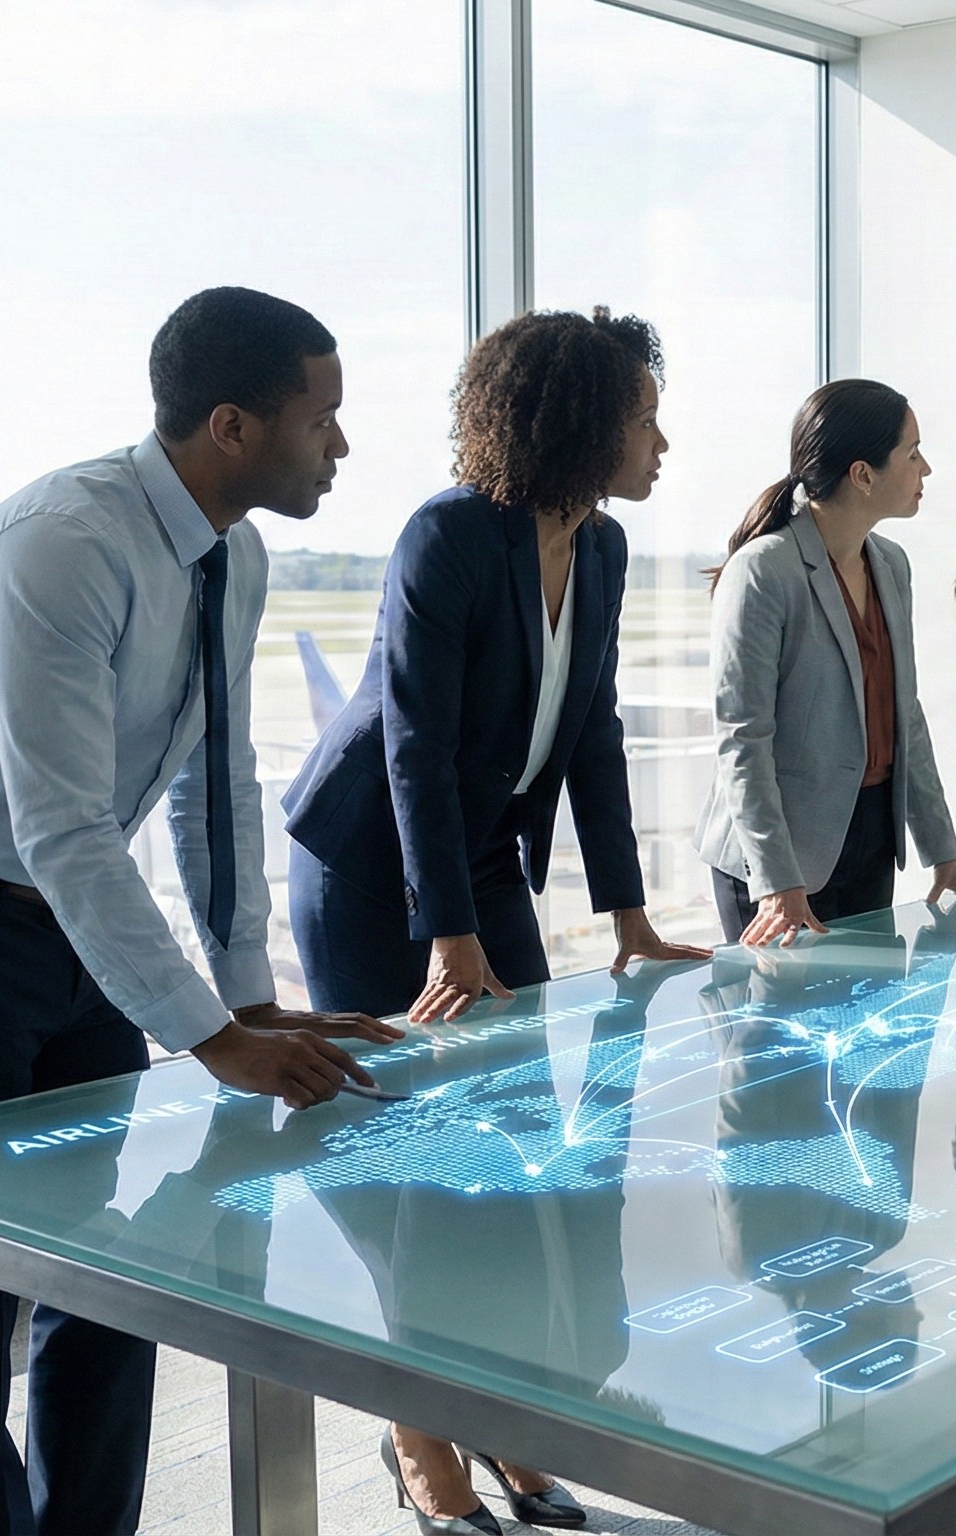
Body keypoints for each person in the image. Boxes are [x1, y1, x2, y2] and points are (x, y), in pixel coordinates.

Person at [0, 286, 405, 1536]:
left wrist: (241, 991)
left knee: (106, 1267)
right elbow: (65, 823)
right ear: (233, 426)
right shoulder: (62, 541)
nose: (341, 448)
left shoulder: (234, 556)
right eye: (324, 420)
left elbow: (215, 782)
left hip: (62, 919)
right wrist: (209, 1038)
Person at [283, 307, 706, 1533]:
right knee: (419, 1169)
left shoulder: (606, 550)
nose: (662, 441)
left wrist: (627, 912)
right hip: (375, 873)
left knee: (520, 1157)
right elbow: (412, 745)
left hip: (472, 870)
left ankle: (507, 1414)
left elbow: (593, 738)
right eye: (642, 418)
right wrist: (443, 929)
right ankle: (421, 1443)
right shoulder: (447, 537)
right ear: (578, 424)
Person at [695, 379, 956, 944]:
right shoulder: (764, 571)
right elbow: (742, 738)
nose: (925, 468)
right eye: (911, 453)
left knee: (865, 1028)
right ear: (863, 474)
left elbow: (904, 715)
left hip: (869, 840)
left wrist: (943, 855)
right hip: (774, 862)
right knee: (783, 1031)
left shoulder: (892, 564)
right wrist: (776, 880)